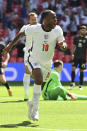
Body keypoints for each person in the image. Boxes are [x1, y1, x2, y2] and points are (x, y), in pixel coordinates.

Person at [2, 10, 67, 121]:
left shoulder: (58, 30)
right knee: (39, 78)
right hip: (33, 58)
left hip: (47, 62)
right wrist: (9, 47)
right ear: (45, 19)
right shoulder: (34, 29)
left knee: (41, 85)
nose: (56, 20)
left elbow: (63, 44)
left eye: (56, 18)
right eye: (53, 18)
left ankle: (32, 103)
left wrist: (63, 46)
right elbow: (20, 35)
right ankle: (35, 110)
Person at [19, 12, 38, 101]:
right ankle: (26, 94)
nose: (34, 21)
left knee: (38, 74)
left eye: (35, 19)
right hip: (28, 52)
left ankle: (36, 93)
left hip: (39, 53)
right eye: (32, 19)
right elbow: (18, 37)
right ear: (29, 20)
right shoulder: (25, 27)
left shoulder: (41, 27)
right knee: (27, 72)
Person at [70, 25, 87, 90]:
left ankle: (80, 85)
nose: (83, 31)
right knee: (73, 69)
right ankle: (72, 83)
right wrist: (72, 54)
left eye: (85, 30)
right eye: (82, 30)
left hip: (83, 58)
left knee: (81, 71)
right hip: (76, 56)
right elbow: (73, 46)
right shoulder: (76, 38)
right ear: (80, 31)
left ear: (86, 31)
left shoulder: (86, 39)